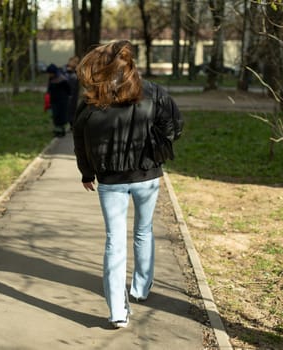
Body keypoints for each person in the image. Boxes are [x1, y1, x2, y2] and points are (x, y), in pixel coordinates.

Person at [72, 40, 183, 329]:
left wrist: (87, 173)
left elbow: (80, 139)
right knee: (144, 231)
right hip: (147, 175)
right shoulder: (154, 91)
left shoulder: (93, 98)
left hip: (110, 180)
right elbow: (174, 126)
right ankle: (141, 289)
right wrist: (155, 149)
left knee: (114, 241)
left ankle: (117, 312)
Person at [46, 63, 71, 137]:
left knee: (61, 116)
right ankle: (57, 131)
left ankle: (62, 131)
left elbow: (68, 89)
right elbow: (49, 88)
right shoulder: (51, 79)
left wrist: (68, 96)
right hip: (54, 100)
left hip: (62, 100)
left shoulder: (62, 79)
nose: (49, 75)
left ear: (53, 72)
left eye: (50, 73)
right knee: (55, 116)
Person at [64, 56, 80, 126]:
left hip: (74, 93)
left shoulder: (76, 71)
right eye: (74, 62)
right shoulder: (65, 70)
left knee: (73, 108)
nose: (75, 63)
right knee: (68, 108)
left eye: (76, 62)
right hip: (67, 92)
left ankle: (72, 123)